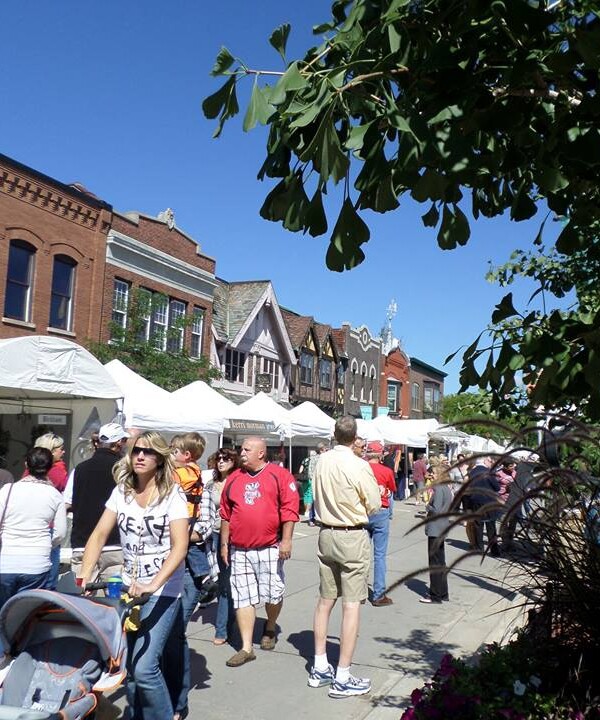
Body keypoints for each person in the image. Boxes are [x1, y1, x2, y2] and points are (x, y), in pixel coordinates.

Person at [79, 431, 189, 720]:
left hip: (162, 590)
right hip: (128, 588)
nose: (140, 455)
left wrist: (154, 584)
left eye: (149, 452)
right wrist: (84, 575)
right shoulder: (122, 491)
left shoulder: (172, 495)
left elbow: (180, 547)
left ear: (160, 459)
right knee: (127, 663)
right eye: (137, 450)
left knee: (145, 667)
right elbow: (100, 534)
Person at [309, 416, 381, 698]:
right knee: (351, 605)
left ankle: (319, 666)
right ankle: (342, 674)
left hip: (326, 532)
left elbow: (314, 493)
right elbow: (374, 504)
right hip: (351, 533)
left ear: (335, 434)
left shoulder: (322, 461)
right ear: (355, 437)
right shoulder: (359, 465)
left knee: (325, 600)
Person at [219, 437, 299, 668]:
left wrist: (287, 540)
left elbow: (290, 510)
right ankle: (246, 647)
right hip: (240, 549)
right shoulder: (234, 478)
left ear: (261, 453)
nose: (241, 453)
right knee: (242, 597)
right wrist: (224, 544)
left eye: (247, 450)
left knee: (273, 594)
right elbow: (226, 513)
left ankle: (270, 626)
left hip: (269, 547)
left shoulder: (279, 475)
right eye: (241, 449)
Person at [170, 432, 216, 720]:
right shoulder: (192, 472)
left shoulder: (182, 475)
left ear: (187, 455)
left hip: (187, 527)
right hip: (176, 546)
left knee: (176, 634)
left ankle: (203, 579)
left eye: (174, 451)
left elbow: (205, 527)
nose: (170, 455)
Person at [0, 447, 67, 608]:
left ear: (26, 465)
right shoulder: (55, 495)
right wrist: (46, 544)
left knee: (3, 612)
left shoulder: (7, 490)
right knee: (26, 616)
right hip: (37, 563)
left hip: (5, 561)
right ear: (50, 467)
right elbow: (61, 533)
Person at [66, 423, 129, 584]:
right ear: (118, 443)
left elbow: (67, 503)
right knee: (115, 600)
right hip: (115, 545)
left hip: (82, 544)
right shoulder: (123, 470)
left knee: (80, 599)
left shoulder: (79, 469)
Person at [209, 447, 240, 645]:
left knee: (228, 582)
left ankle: (224, 628)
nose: (221, 462)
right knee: (222, 580)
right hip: (213, 534)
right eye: (219, 459)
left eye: (226, 459)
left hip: (234, 536)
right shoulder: (212, 484)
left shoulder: (238, 482)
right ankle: (226, 624)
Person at [365, 441, 396, 606]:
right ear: (380, 454)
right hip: (380, 510)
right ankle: (378, 594)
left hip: (362, 511)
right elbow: (392, 490)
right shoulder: (385, 471)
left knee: (361, 555)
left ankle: (360, 592)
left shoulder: (360, 469)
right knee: (379, 555)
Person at [420, 457, 453, 604]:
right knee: (440, 561)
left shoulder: (439, 488)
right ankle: (443, 593)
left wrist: (427, 506)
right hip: (442, 527)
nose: (431, 475)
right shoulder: (446, 488)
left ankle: (435, 595)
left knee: (434, 563)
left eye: (433, 473)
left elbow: (437, 510)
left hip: (435, 528)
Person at [468, 456, 501, 556]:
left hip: (475, 500)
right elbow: (497, 487)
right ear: (485, 461)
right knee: (491, 526)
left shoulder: (472, 472)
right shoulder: (488, 472)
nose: (491, 463)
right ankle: (494, 550)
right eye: (490, 461)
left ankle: (479, 548)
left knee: (478, 525)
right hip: (488, 501)